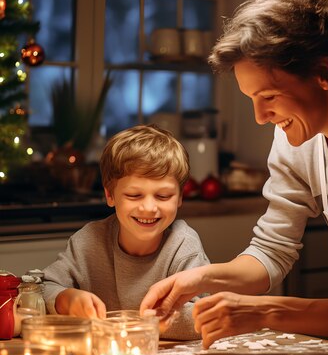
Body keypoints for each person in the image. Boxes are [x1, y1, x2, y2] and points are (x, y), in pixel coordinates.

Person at [140, 0, 328, 355]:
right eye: (252, 99)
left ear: (323, 71)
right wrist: (198, 279)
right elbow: (272, 252)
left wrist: (265, 312)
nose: (259, 117)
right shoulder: (295, 142)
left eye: (268, 96)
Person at [42, 124, 209, 340]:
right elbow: (41, 288)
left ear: (179, 198)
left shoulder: (184, 247)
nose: (149, 207)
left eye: (163, 196)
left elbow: (205, 315)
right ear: (110, 195)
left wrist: (150, 320)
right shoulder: (88, 242)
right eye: (134, 195)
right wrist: (66, 299)